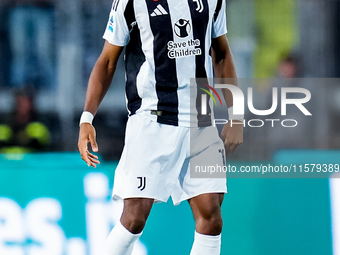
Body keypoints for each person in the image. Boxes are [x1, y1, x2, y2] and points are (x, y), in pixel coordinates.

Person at [77, 0, 243, 254]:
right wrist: (87, 118)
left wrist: (236, 114)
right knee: (134, 218)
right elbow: (108, 61)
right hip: (152, 120)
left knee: (211, 218)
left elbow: (221, 52)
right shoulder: (130, 3)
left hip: (201, 119)